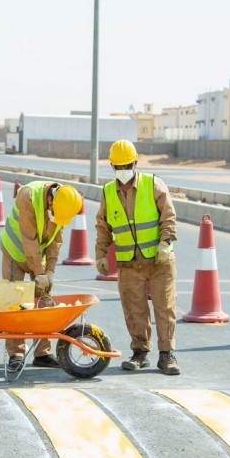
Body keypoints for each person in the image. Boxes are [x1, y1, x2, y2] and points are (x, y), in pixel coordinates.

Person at [95, 139, 180, 375]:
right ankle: (140, 353)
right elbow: (103, 227)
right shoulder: (108, 192)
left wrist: (165, 243)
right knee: (134, 310)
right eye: (118, 167)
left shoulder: (153, 184)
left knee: (165, 308)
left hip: (159, 261)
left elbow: (169, 217)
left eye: (126, 166)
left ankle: (167, 355)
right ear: (112, 167)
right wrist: (101, 255)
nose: (123, 171)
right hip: (128, 263)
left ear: (135, 162)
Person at [0, 181, 83, 369]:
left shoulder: (63, 202)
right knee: (15, 303)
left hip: (38, 255)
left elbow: (56, 241)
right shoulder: (28, 196)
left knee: (45, 302)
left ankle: (42, 353)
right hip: (15, 252)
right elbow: (29, 241)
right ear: (51, 199)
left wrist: (50, 272)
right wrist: (40, 274)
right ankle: (16, 354)